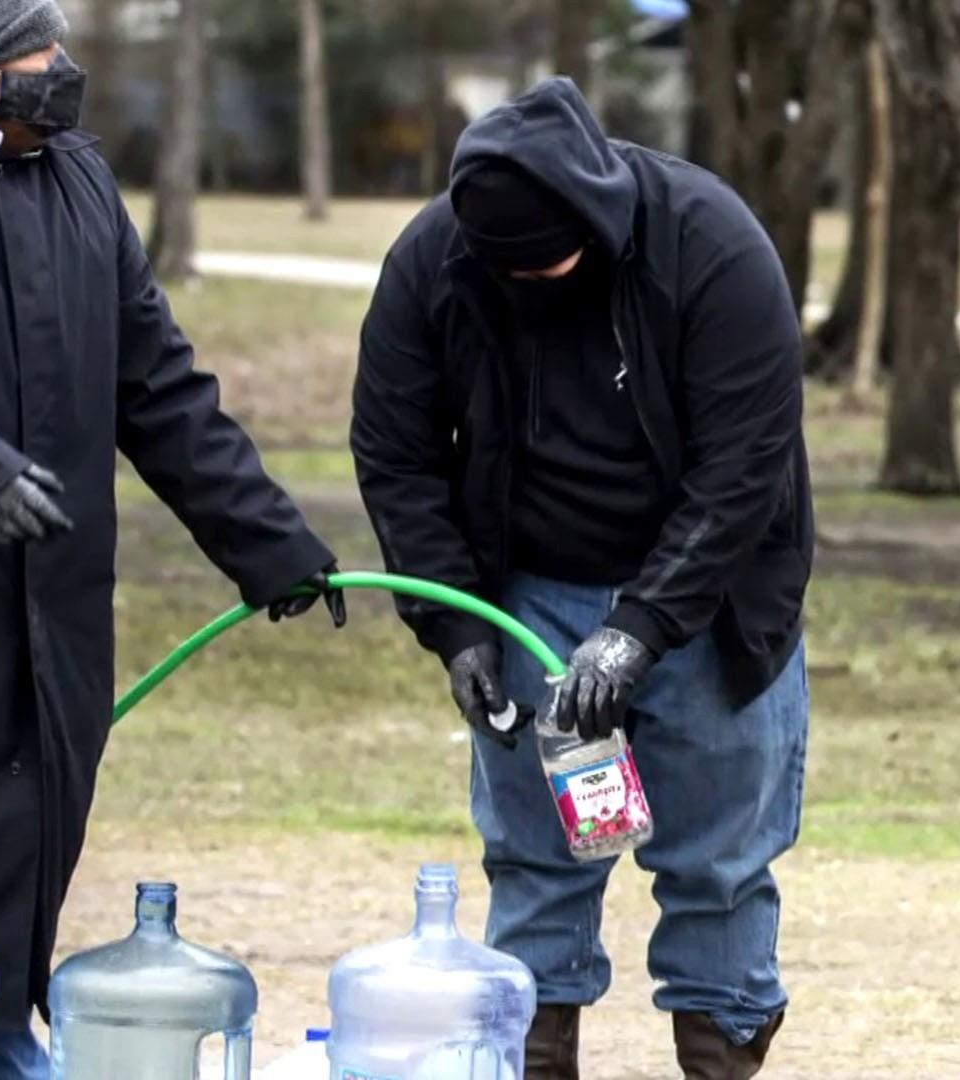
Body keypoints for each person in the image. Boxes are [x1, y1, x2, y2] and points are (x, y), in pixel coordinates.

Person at [0, 1, 345, 1075]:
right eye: (37, 53)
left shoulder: (78, 179)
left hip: (59, 625)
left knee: (25, 859)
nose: (60, 68)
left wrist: (268, 541)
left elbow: (158, 384)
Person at [351, 77, 812, 1079]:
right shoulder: (434, 260)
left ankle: (720, 1049)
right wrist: (454, 626)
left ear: (597, 218)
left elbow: (746, 472)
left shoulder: (712, 247)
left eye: (549, 263)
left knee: (719, 867)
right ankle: (537, 1051)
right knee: (538, 861)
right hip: (530, 601)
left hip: (712, 602)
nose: (529, 282)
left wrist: (643, 627)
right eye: (505, 268)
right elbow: (396, 455)